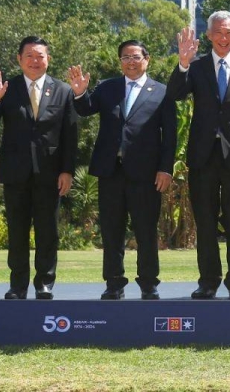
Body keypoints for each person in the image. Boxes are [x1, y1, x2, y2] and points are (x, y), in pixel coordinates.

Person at [68, 41, 176, 300]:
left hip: (146, 174)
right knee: (112, 230)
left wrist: (165, 169)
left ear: (147, 60)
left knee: (146, 231)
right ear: (120, 61)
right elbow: (85, 110)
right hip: (110, 172)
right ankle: (114, 283)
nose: (130, 61)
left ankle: (149, 283)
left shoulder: (162, 92)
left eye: (136, 57)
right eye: (125, 57)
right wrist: (80, 93)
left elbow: (170, 136)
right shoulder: (108, 88)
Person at [167, 12, 230, 300]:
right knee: (206, 222)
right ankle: (208, 280)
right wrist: (182, 63)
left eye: (229, 33)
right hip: (203, 157)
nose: (224, 38)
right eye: (218, 33)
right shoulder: (195, 67)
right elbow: (175, 94)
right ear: (208, 35)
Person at [0, 37, 77, 300]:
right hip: (15, 173)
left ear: (48, 59)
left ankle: (44, 283)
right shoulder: (6, 88)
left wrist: (67, 171)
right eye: (30, 56)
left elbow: (70, 135)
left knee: (48, 232)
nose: (35, 61)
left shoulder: (63, 90)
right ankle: (17, 286)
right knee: (17, 232)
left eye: (40, 56)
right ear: (19, 59)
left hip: (50, 174)